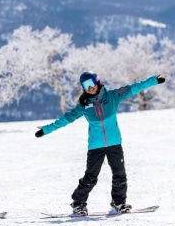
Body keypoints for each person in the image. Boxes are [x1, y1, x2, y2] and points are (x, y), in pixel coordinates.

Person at [35, 71, 166, 216]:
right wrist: (46, 130)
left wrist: (153, 81)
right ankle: (78, 203)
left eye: (92, 83)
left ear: (97, 82)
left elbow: (133, 88)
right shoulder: (83, 106)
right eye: (86, 85)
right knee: (91, 177)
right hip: (95, 147)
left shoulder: (112, 96)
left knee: (119, 174)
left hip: (114, 144)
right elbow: (65, 119)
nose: (90, 87)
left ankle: (119, 202)